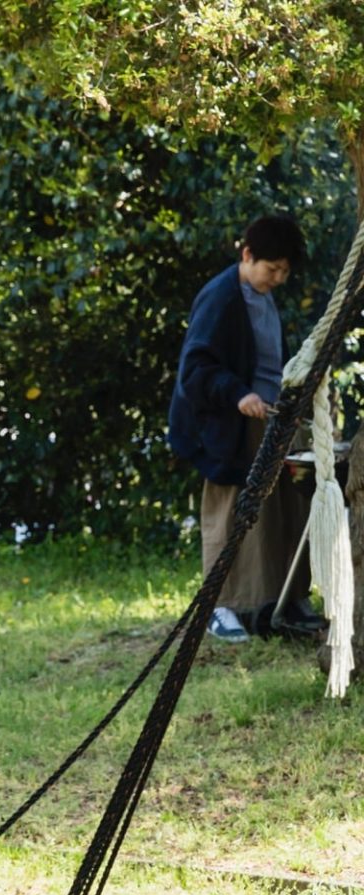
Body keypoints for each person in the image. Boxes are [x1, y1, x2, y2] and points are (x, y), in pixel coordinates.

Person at [168, 214, 318, 643]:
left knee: (283, 511)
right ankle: (221, 607)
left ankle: (281, 599)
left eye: (285, 271)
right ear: (247, 255)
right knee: (230, 511)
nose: (279, 278)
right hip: (232, 424)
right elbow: (194, 368)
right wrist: (237, 394)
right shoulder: (221, 298)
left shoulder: (262, 293)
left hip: (272, 417)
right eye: (273, 269)